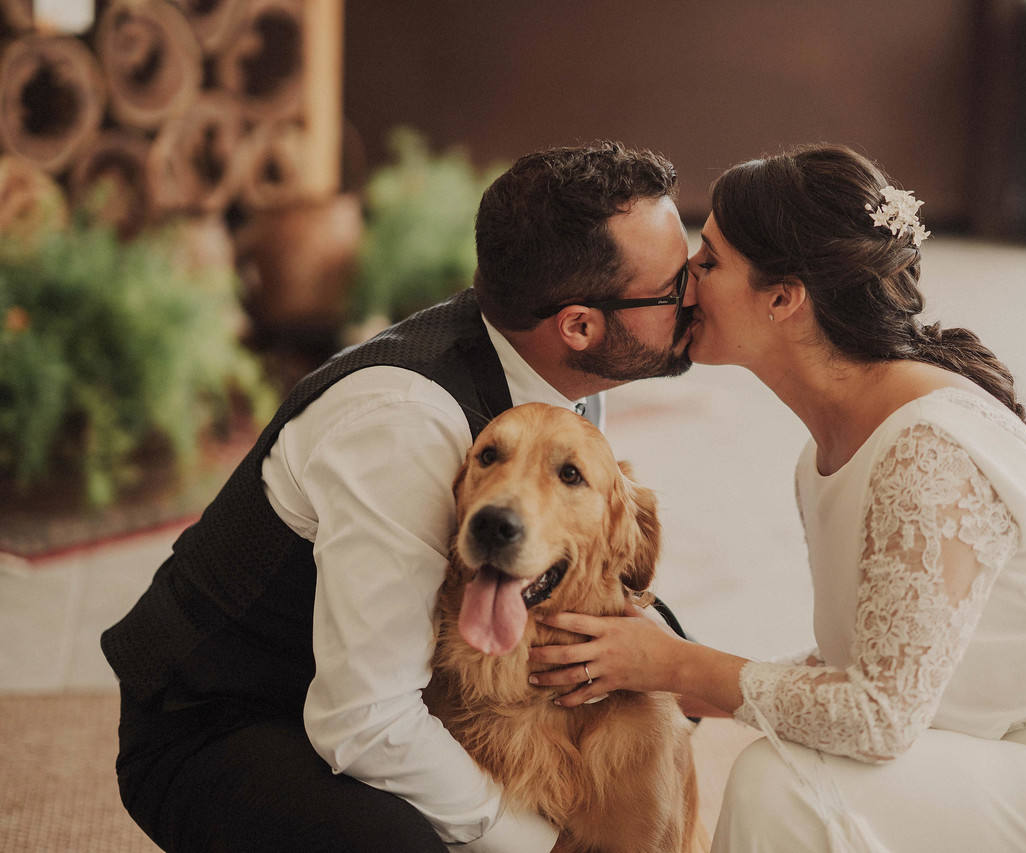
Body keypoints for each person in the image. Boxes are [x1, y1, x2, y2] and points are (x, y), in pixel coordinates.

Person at [527, 144, 1026, 851]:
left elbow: (879, 714)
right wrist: (644, 664)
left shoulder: (923, 450)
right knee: (789, 771)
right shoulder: (826, 450)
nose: (685, 278)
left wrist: (677, 666)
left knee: (783, 785)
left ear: (783, 297)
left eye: (710, 258)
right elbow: (876, 660)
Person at [101, 141, 696, 853]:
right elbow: (364, 722)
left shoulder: (551, 377)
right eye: (671, 289)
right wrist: (538, 845)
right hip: (232, 719)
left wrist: (666, 652)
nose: (694, 297)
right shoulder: (404, 425)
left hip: (370, 684)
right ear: (579, 324)